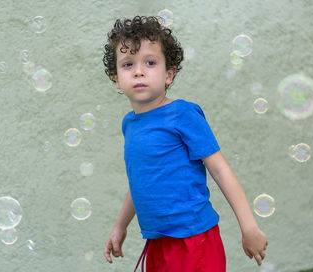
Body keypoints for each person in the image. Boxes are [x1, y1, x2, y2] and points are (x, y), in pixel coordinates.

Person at [102, 15, 268, 271]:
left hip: (194, 240)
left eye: (150, 62)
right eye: (127, 64)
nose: (138, 70)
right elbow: (141, 181)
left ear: (169, 74)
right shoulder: (130, 124)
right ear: (116, 78)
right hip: (157, 242)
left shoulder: (183, 114)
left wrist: (248, 227)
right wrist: (120, 226)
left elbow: (220, 170)